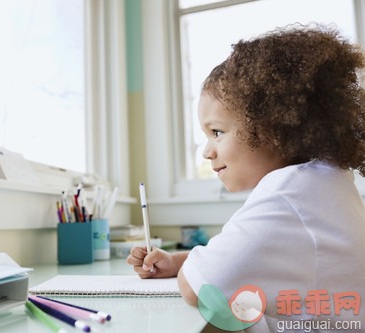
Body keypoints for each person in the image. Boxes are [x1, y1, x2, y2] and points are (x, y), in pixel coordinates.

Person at [127, 24, 365, 331]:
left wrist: (189, 269)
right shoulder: (326, 182)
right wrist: (178, 261)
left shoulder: (287, 194)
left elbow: (204, 288)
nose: (207, 152)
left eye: (217, 132)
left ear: (272, 127)